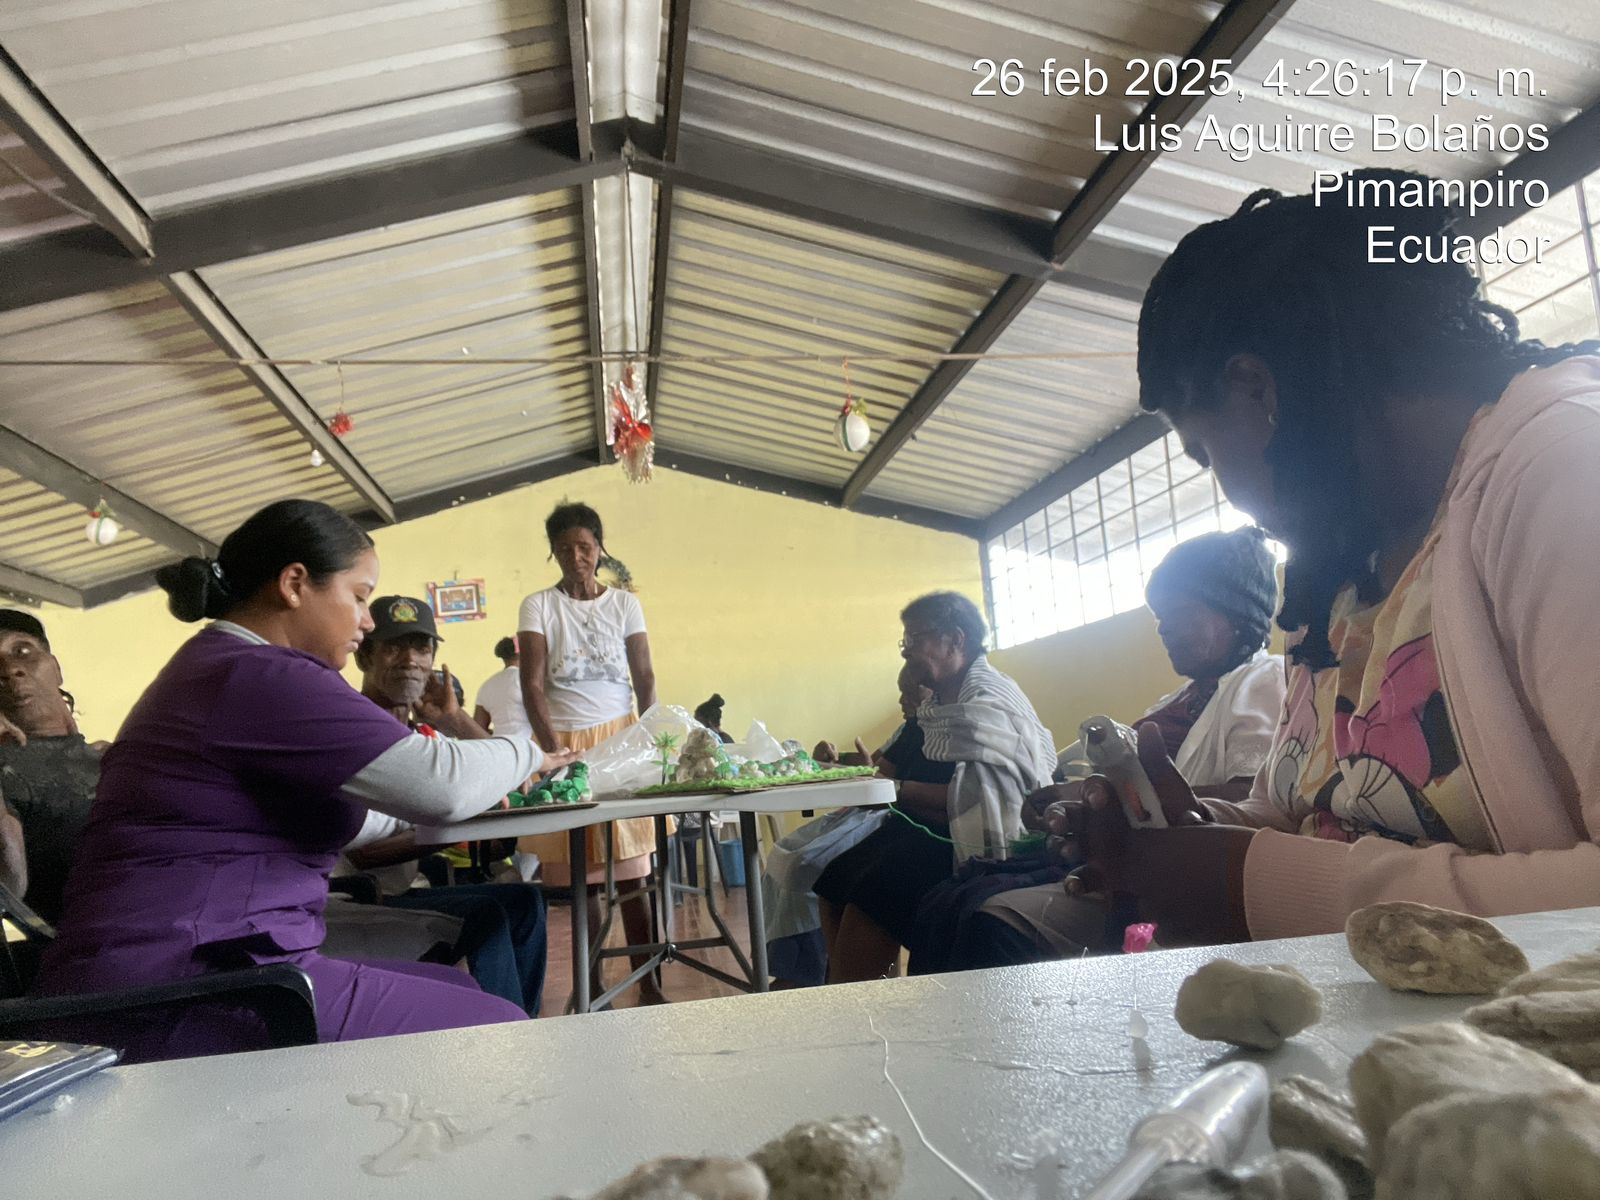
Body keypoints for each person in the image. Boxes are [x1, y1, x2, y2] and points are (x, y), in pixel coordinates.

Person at [1056, 168, 1600, 947]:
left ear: (1257, 389)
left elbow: (1300, 878)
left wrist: (1251, 883)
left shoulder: (1564, 471)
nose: (1223, 490)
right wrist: (1193, 833)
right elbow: (1316, 821)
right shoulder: (1340, 567)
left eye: (1205, 452)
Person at [30, 499, 574, 1062]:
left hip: (208, 969)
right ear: (294, 585)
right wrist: (529, 751)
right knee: (499, 1036)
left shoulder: (224, 666)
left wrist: (445, 799)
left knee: (459, 991)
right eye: (359, 596)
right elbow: (444, 785)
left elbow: (358, 815)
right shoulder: (258, 672)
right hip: (179, 988)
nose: (367, 621)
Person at [918, 527, 1285, 972]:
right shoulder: (1179, 699)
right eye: (1160, 616)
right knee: (950, 899)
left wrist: (1101, 802)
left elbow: (1250, 798)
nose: (1164, 627)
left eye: (1180, 612)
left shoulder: (1264, 680)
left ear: (1236, 615)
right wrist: (1073, 799)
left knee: (989, 921)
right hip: (1128, 863)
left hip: (1175, 878)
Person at [815, 592, 1054, 983]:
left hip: (985, 844)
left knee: (874, 895)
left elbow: (984, 802)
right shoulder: (939, 706)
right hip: (935, 826)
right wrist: (888, 786)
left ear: (955, 640)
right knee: (834, 877)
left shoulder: (986, 700)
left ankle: (858, 1001)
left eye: (915, 638)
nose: (905, 651)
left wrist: (895, 789)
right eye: (904, 640)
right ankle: (855, 990)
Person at [338, 596, 549, 1016]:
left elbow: (503, 777)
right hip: (354, 898)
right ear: (364, 657)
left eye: (422, 648)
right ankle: (510, 1033)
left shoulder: (419, 737)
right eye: (394, 647)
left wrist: (454, 720)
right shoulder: (357, 730)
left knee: (525, 902)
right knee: (488, 914)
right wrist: (450, 831)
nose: (411, 661)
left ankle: (527, 1028)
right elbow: (364, 854)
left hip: (397, 889)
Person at [517, 501, 664, 1004]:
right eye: (564, 549)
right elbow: (532, 685)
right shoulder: (538, 605)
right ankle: (591, 986)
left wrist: (650, 738)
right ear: (553, 552)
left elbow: (644, 676)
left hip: (622, 742)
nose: (575, 557)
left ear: (600, 548)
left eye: (584, 547)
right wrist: (553, 750)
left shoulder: (624, 604)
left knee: (634, 873)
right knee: (585, 881)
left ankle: (648, 985)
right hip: (565, 743)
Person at [764, 663, 953, 987]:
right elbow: (874, 765)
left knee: (816, 870)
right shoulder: (913, 727)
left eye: (912, 692)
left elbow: (899, 785)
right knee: (821, 873)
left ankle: (824, 977)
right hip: (893, 817)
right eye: (901, 693)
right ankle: (822, 975)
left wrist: (889, 785)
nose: (903, 701)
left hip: (920, 826)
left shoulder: (955, 726)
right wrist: (834, 759)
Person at [0, 610, 101, 924]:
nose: (10, 669)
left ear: (55, 668)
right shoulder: (5, 772)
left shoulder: (114, 756)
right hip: (103, 939)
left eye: (22, 651)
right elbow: (10, 888)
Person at [474, 636, 531, 738]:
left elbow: (478, 726)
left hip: (499, 744)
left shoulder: (487, 685)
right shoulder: (529, 679)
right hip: (529, 743)